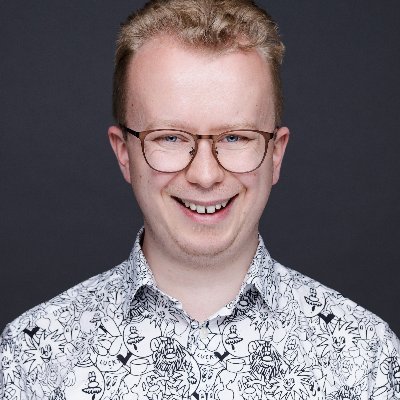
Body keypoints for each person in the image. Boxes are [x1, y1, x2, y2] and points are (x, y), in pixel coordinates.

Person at [1, 0, 399, 399]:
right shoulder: (33, 358)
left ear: (275, 154)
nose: (205, 176)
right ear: (124, 153)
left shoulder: (366, 357)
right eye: (170, 138)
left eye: (235, 137)